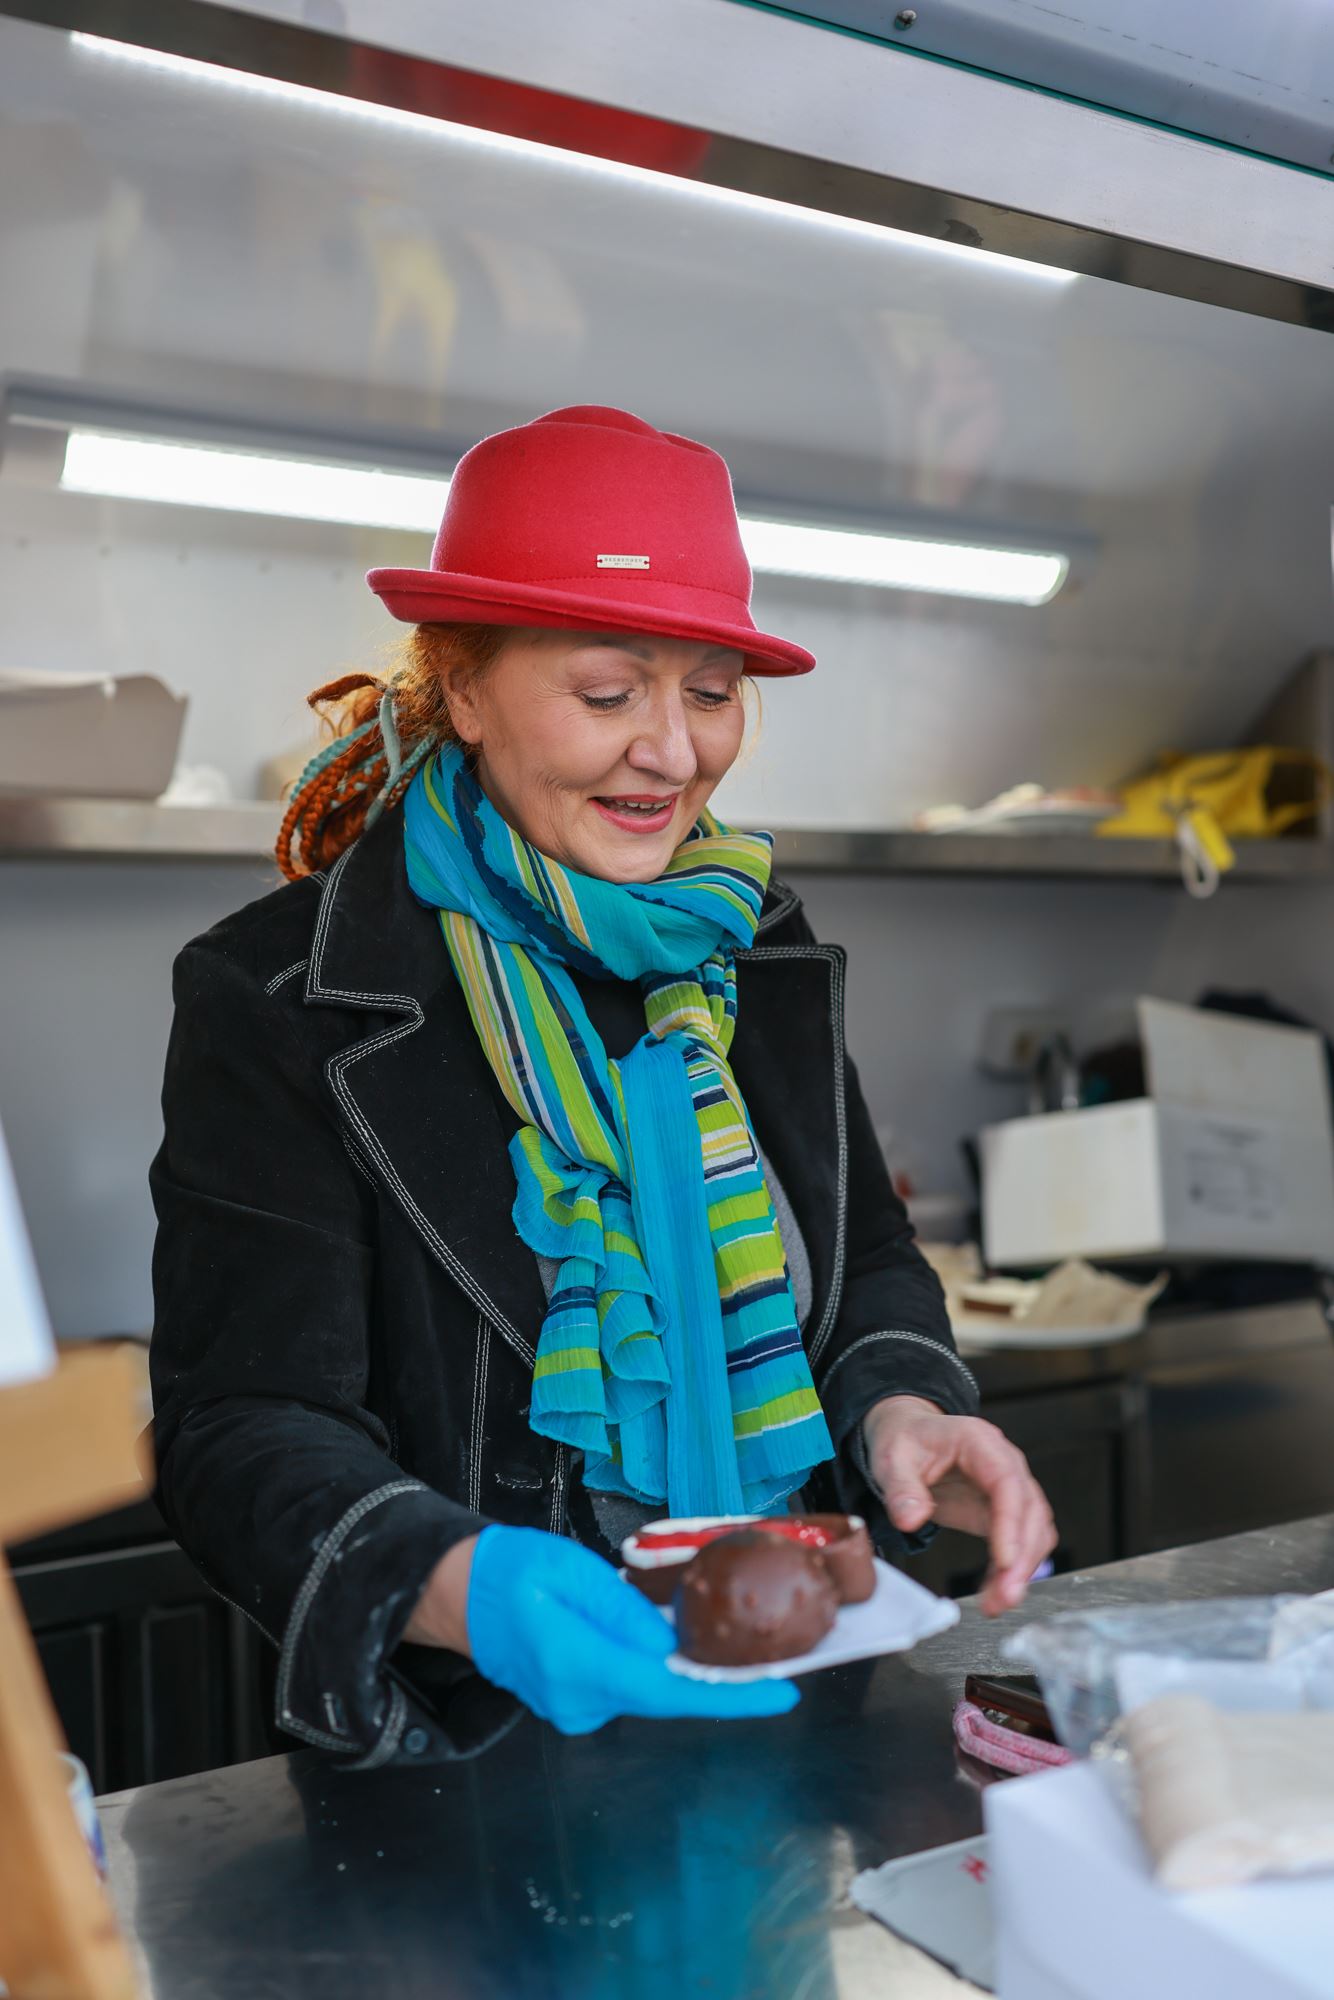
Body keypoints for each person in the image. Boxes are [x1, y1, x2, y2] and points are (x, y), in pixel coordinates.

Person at [149, 405, 1056, 1767]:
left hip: (796, 1681)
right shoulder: (284, 995)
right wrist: (450, 1580)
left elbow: (866, 1256)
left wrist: (906, 1407)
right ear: (463, 690)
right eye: (608, 692)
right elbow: (238, 1423)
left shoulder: (751, 942)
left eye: (710, 692)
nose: (673, 754)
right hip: (483, 1741)